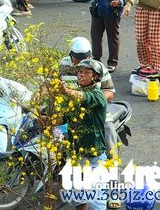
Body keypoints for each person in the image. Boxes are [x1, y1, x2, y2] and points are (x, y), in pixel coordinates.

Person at [60, 59, 108, 210]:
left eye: (87, 73)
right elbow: (64, 118)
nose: (82, 75)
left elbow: (85, 98)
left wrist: (67, 91)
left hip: (94, 157)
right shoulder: (73, 96)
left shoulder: (98, 95)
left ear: (95, 77)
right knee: (77, 197)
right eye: (80, 72)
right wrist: (48, 121)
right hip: (75, 154)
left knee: (95, 202)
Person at [59, 37, 116, 101]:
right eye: (77, 59)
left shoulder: (98, 67)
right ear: (70, 55)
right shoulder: (61, 65)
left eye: (84, 58)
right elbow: (48, 87)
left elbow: (109, 91)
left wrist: (95, 100)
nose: (81, 62)